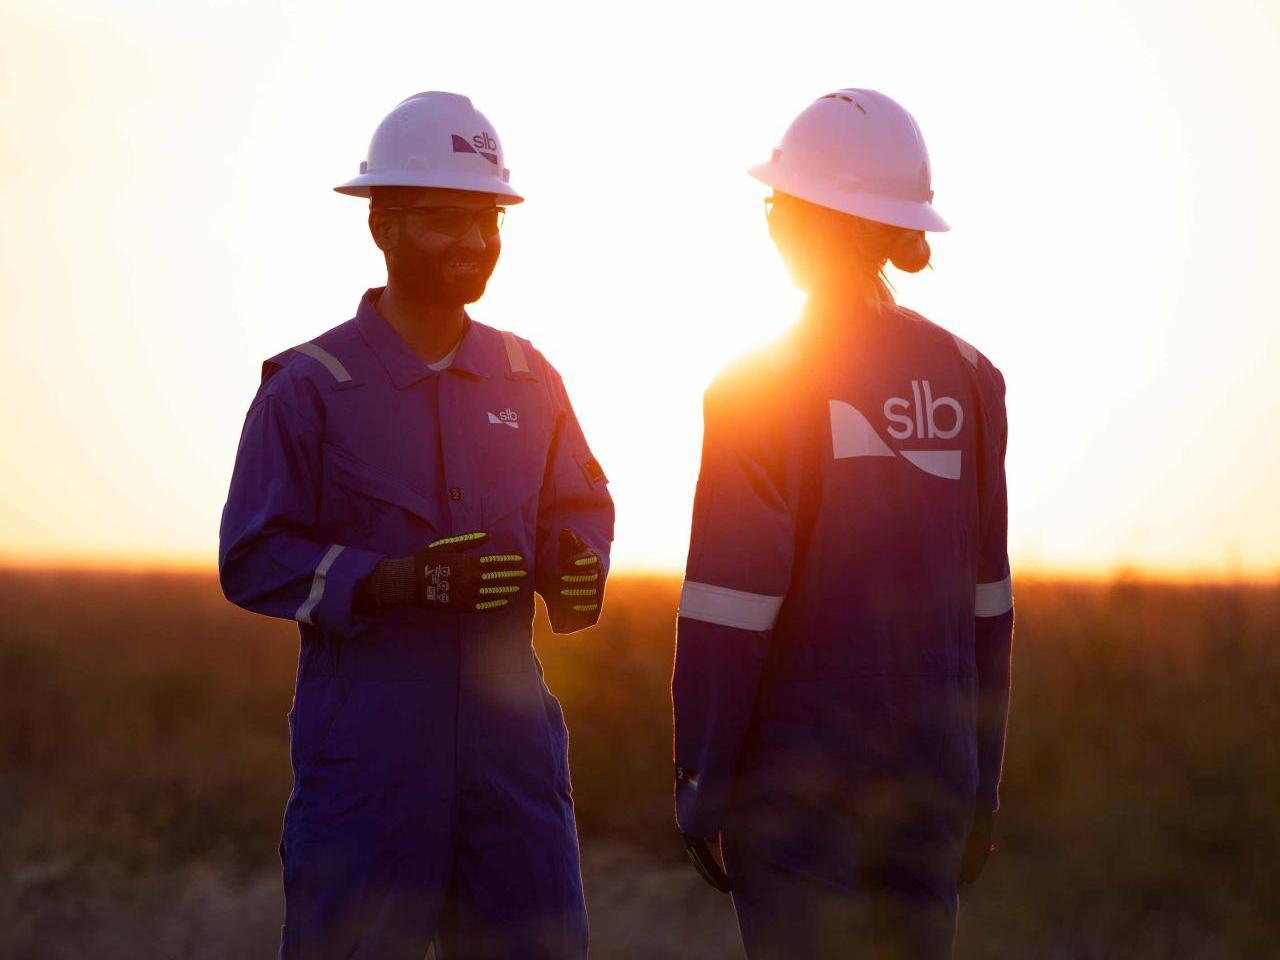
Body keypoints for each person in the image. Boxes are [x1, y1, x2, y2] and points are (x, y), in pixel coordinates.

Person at [219, 91, 613, 960]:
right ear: (384, 225)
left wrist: (575, 564)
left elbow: (581, 509)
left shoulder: (529, 377)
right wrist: (396, 581)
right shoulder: (310, 389)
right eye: (446, 220)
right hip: (369, 767)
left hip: (512, 770)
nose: (475, 243)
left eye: (488, 220)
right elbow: (252, 558)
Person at [671, 89, 1013, 959]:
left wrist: (703, 787)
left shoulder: (759, 385)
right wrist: (980, 791)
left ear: (806, 219)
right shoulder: (972, 380)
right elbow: (989, 609)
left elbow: (728, 606)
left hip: (796, 793)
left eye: (778, 203)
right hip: (932, 786)